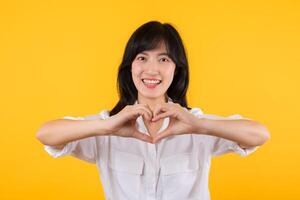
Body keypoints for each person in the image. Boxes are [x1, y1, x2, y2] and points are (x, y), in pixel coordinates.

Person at [36, 20, 270, 200]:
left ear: (176, 69)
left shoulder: (195, 124)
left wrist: (199, 125)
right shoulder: (109, 127)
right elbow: (46, 134)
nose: (152, 70)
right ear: (130, 67)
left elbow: (259, 135)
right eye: (142, 58)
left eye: (164, 59)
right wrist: (107, 125)